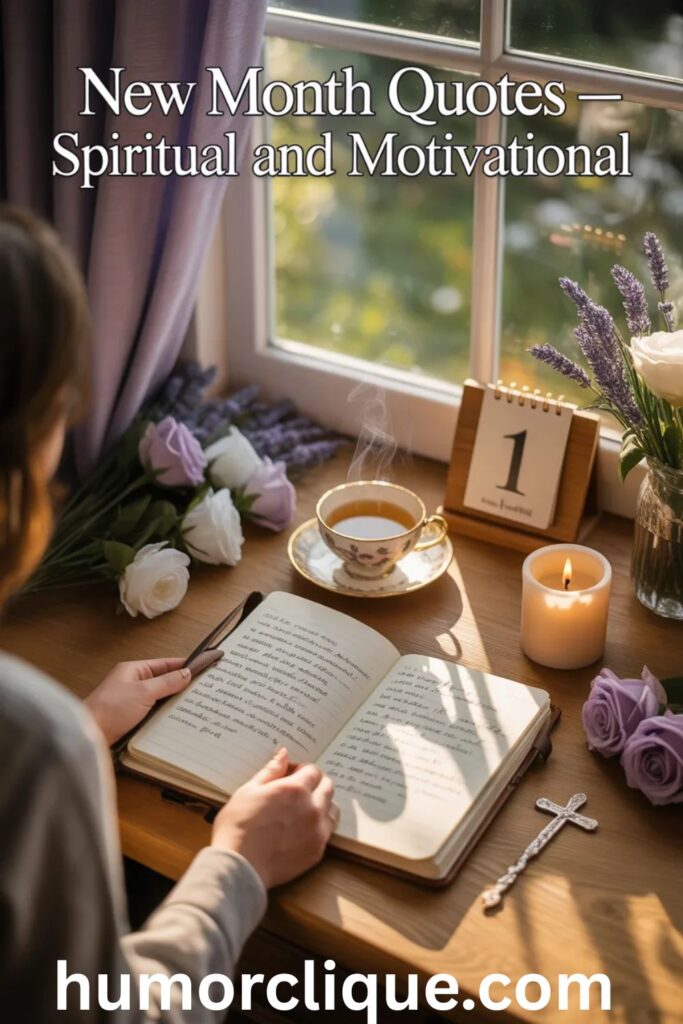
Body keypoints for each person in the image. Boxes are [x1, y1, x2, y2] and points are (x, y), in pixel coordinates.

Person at [0, 204, 338, 1022]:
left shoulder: (43, 738)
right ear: (32, 438)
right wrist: (237, 865)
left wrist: (77, 723)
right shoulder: (32, 747)